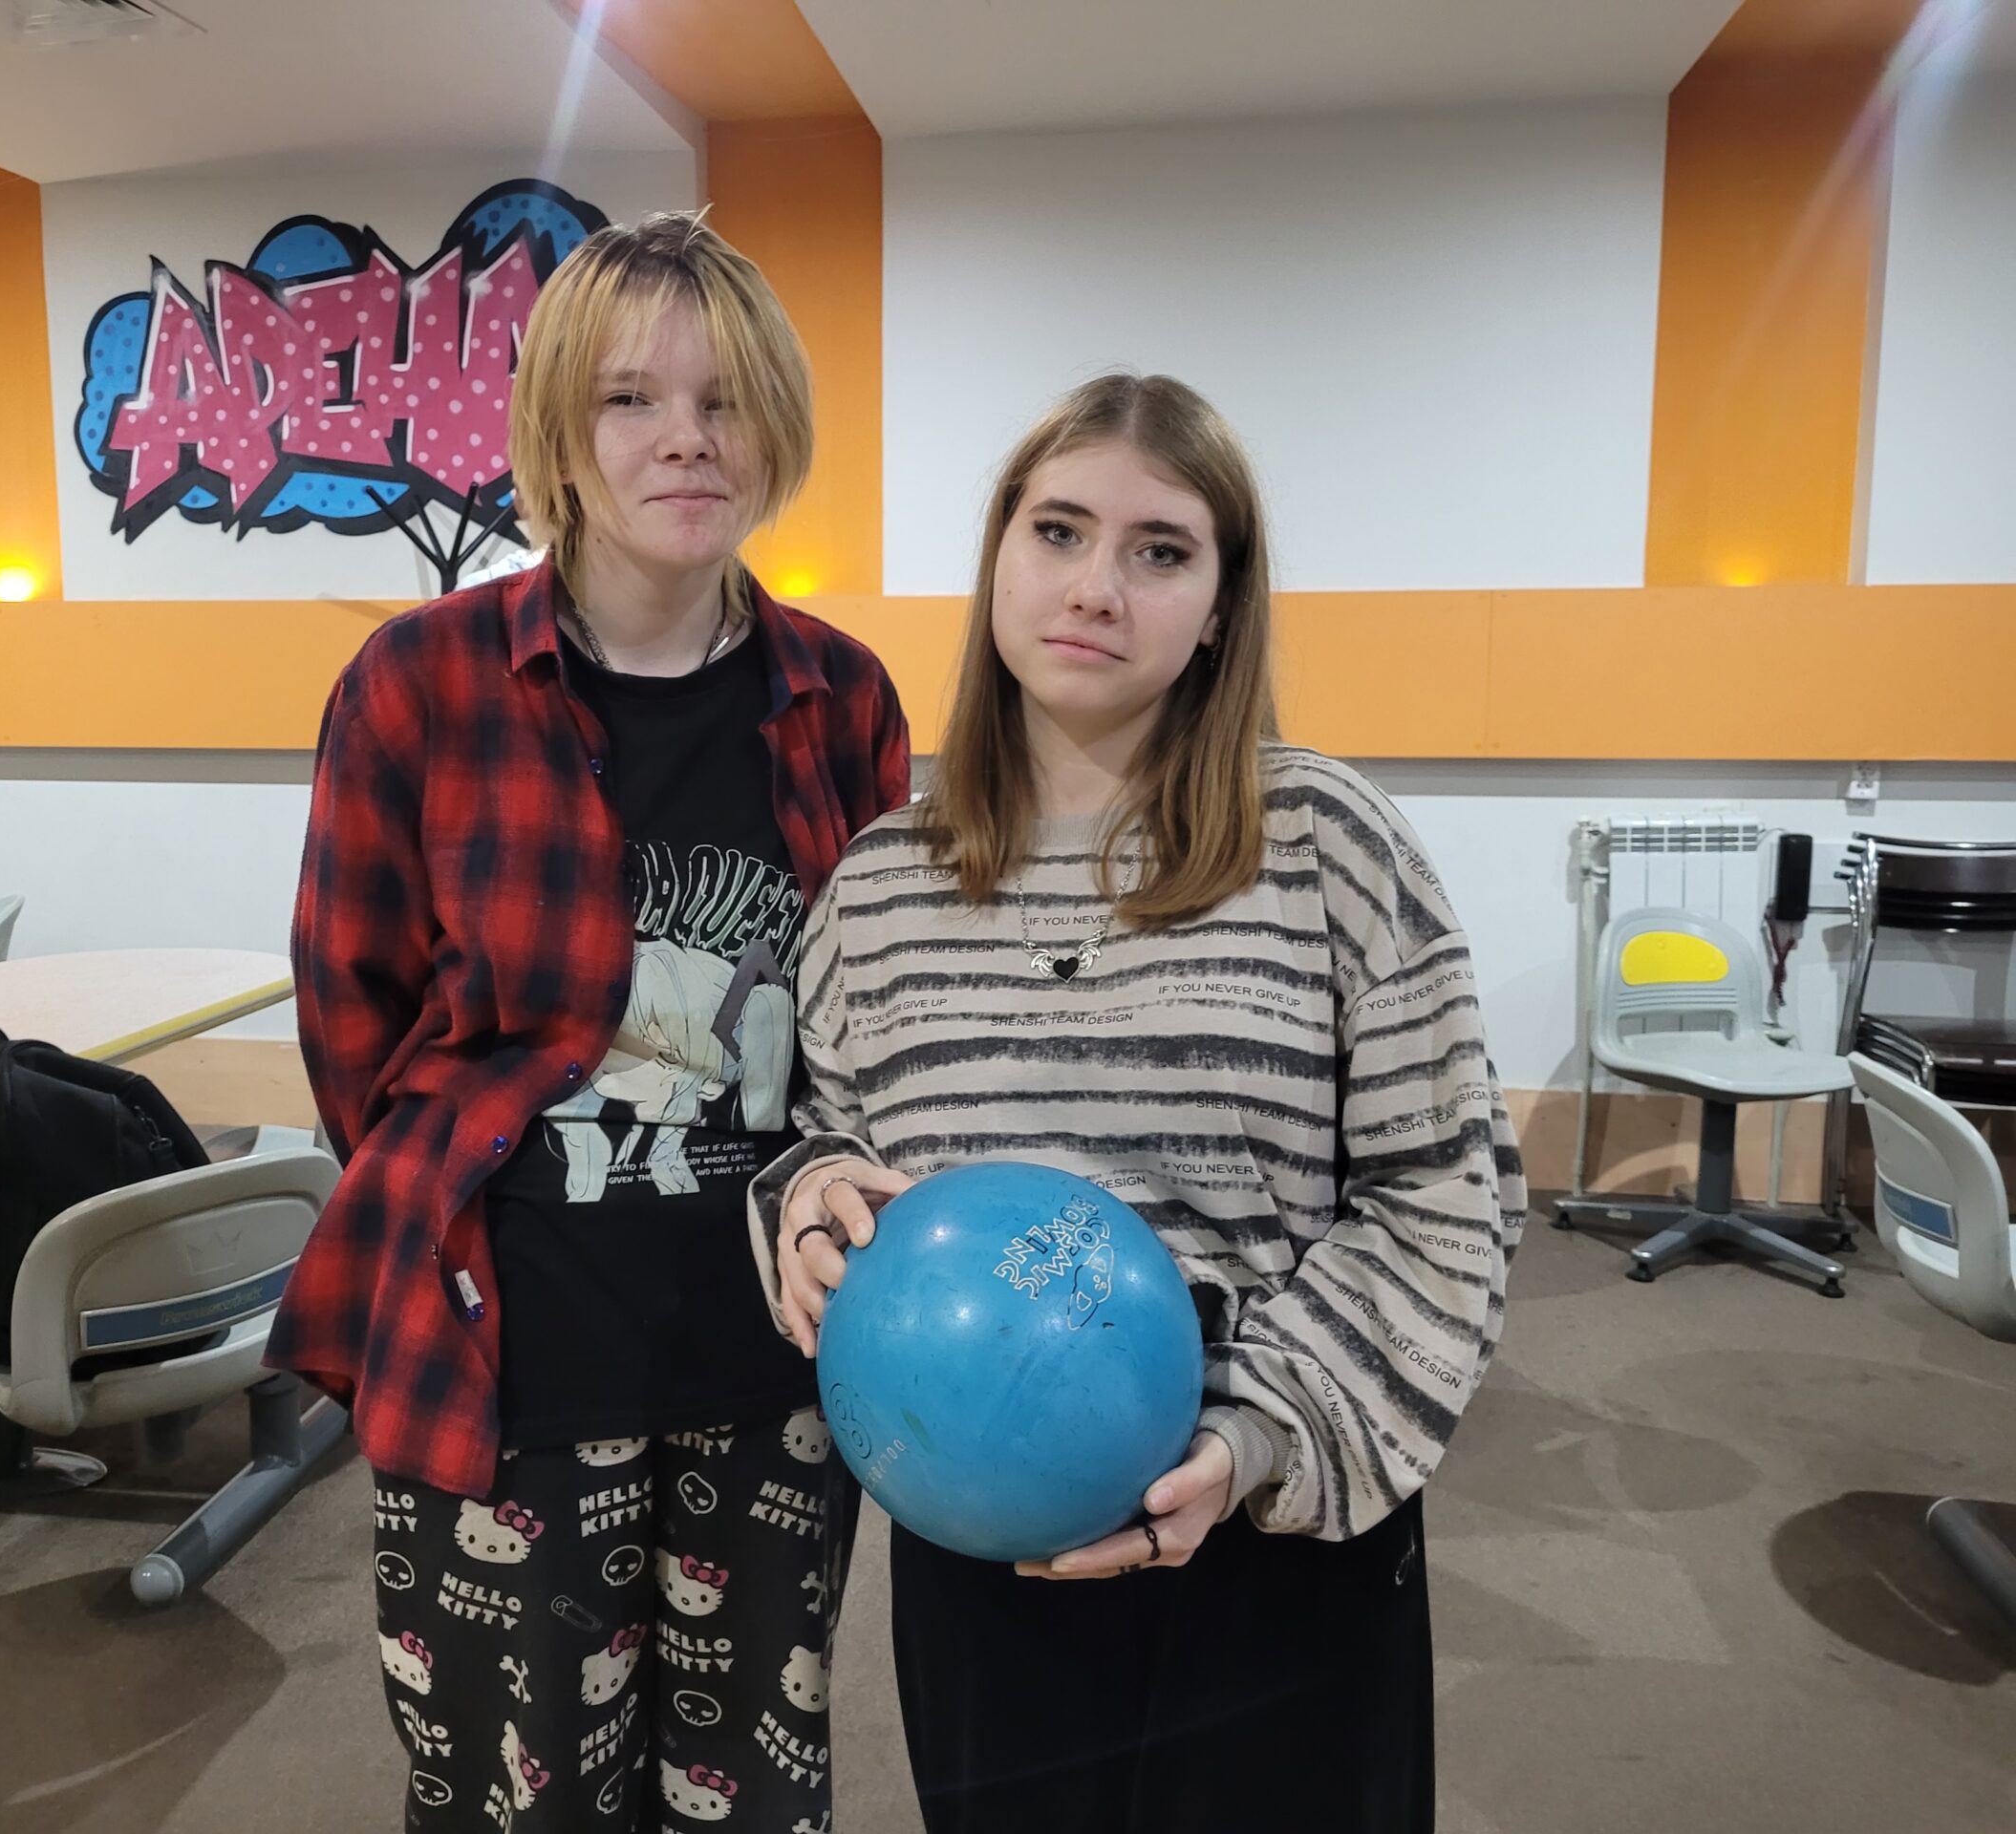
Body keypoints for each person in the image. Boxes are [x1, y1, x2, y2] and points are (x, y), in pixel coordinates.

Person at [751, 373, 1525, 1833]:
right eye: (1058, 531)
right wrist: (811, 1204)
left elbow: (1447, 1195)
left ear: (1223, 605)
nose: (1095, 586)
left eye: (1161, 550)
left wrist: (1254, 1439)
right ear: (1000, 552)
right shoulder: (883, 884)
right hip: (984, 1553)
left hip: (1276, 1547)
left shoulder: (1329, 847)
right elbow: (821, 1132)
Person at [269, 212, 911, 1830]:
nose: (687, 437)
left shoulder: (842, 698)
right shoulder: (421, 681)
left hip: (772, 1359)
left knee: (749, 1790)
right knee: (520, 1794)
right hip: (510, 1351)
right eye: (633, 399)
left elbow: (870, 1024)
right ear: (561, 429)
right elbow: (350, 1014)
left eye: (725, 399)